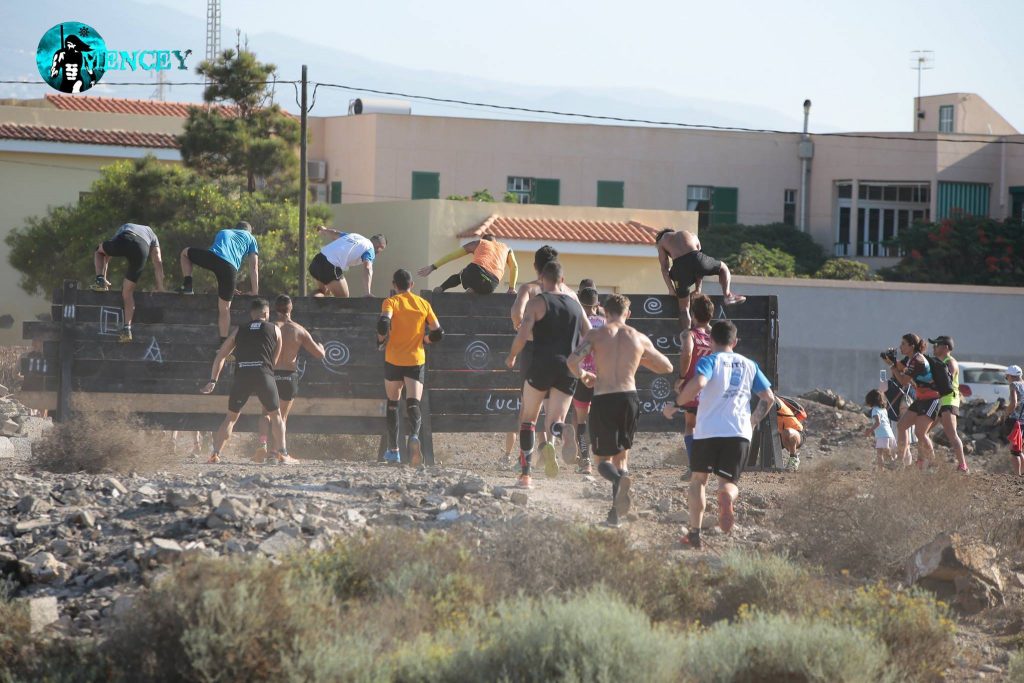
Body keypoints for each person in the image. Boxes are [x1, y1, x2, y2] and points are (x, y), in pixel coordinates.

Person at [568, 294, 673, 527]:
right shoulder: (638, 337)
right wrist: (639, 359)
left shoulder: (595, 335)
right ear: (628, 314)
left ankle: (616, 481)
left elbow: (571, 362)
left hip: (604, 397)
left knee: (601, 460)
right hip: (629, 397)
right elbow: (667, 366)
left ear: (604, 311)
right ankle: (614, 515)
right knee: (622, 457)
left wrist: (585, 375)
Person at [674, 320, 775, 549]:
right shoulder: (750, 364)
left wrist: (677, 403)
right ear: (735, 341)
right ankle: (727, 496)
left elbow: (699, 382)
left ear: (711, 341)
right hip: (738, 432)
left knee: (698, 480)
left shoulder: (710, 360)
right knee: (728, 482)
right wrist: (752, 422)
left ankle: (694, 534)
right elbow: (768, 398)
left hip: (708, 430)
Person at [506, 261, 592, 488]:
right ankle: (563, 431)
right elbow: (591, 337)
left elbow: (523, 334)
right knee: (555, 421)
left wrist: (512, 356)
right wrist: (578, 360)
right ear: (562, 280)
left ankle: (525, 475)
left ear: (542, 280)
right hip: (567, 369)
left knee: (529, 420)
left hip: (540, 365)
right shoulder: (576, 305)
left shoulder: (537, 302)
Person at [200, 299, 286, 464]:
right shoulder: (275, 329)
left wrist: (213, 380)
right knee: (276, 415)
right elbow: (275, 359)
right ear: (266, 313)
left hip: (242, 376)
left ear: (251, 314)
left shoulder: (239, 330)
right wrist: (265, 371)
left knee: (231, 417)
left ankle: (215, 454)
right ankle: (282, 453)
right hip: (264, 374)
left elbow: (221, 356)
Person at [377, 269, 443, 465]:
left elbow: (383, 323)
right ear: (412, 285)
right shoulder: (424, 304)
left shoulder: (391, 302)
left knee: (393, 403)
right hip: (416, 360)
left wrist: (380, 341)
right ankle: (414, 436)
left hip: (393, 358)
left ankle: (393, 450)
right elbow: (439, 333)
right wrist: (425, 339)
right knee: (413, 403)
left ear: (394, 285)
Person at [253, 295, 326, 465]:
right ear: (290, 308)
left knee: (266, 414)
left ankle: (264, 445)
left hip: (270, 375)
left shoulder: (270, 328)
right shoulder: (298, 330)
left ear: (274, 309)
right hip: (288, 377)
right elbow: (319, 354)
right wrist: (321, 345)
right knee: (282, 417)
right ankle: (278, 452)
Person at [178, 222, 260, 342]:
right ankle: (223, 342)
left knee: (185, 253)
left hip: (213, 257)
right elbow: (254, 267)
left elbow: (220, 258)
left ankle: (188, 285)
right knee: (225, 309)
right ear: (249, 231)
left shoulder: (224, 231)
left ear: (235, 228)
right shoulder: (250, 238)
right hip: (229, 268)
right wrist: (255, 291)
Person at [661, 294, 714, 477]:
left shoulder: (689, 334)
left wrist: (682, 377)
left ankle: (695, 464)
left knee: (690, 424)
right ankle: (707, 461)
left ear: (693, 314)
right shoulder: (714, 335)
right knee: (706, 424)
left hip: (693, 385)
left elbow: (687, 353)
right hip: (712, 387)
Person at [655, 228, 745, 330]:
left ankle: (688, 336)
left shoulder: (663, 240)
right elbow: (698, 262)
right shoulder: (691, 235)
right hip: (697, 258)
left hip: (681, 268)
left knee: (684, 309)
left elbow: (664, 268)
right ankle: (728, 295)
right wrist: (698, 288)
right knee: (723, 267)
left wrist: (671, 289)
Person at [90, 223, 165, 343]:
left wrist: (103, 277)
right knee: (127, 293)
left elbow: (106, 254)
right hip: (142, 249)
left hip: (127, 237)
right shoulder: (152, 233)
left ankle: (100, 281)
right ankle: (126, 330)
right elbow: (157, 261)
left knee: (99, 251)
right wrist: (160, 287)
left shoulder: (126, 226)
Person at [565, 285, 606, 475]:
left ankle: (586, 461)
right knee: (599, 419)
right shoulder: (605, 322)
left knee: (581, 421)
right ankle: (605, 461)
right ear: (597, 304)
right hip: (602, 378)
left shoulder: (575, 321)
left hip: (581, 375)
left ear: (578, 303)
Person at [882, 333, 940, 468]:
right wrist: (891, 360)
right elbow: (900, 367)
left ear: (911, 346)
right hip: (920, 399)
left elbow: (903, 381)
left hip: (931, 399)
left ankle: (932, 464)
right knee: (901, 426)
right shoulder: (910, 359)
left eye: (903, 344)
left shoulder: (917, 361)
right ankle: (900, 461)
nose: (900, 346)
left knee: (920, 433)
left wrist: (892, 366)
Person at [418, 233, 518, 294]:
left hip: (475, 272)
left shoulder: (479, 242)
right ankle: (474, 290)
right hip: (491, 284)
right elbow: (514, 267)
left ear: (484, 239)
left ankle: (442, 288)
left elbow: (453, 255)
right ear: (495, 241)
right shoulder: (507, 248)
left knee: (461, 274)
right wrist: (511, 288)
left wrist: (433, 266)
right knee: (483, 283)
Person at [929, 336, 968, 473]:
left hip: (949, 402)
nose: (933, 348)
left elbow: (946, 382)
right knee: (923, 432)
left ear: (945, 347)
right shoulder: (941, 362)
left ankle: (963, 466)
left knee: (952, 435)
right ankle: (929, 463)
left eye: (936, 345)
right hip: (941, 402)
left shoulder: (950, 362)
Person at [310, 227, 386, 297]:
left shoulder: (355, 236)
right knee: (344, 299)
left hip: (317, 260)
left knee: (322, 292)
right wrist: (368, 293)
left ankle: (304, 305)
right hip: (330, 266)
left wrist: (324, 230)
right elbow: (367, 267)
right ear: (380, 247)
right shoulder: (370, 249)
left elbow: (335, 233)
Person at [864, 389, 896, 470]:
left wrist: (869, 431)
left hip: (882, 435)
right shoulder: (884, 409)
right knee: (888, 454)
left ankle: (881, 471)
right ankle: (895, 465)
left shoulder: (874, 410)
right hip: (890, 434)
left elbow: (878, 423)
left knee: (880, 454)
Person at [1004, 365, 1024, 475]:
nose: (1007, 380)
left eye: (1006, 377)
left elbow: (1013, 403)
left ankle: (1017, 476)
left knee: (1015, 450)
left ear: (1010, 376)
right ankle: (1022, 474)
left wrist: (1006, 414)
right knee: (1020, 449)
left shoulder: (1014, 385)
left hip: (1016, 422)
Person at [776, 397, 805, 472]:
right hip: (778, 435)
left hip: (796, 433)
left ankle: (794, 458)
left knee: (787, 432)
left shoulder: (774, 401)